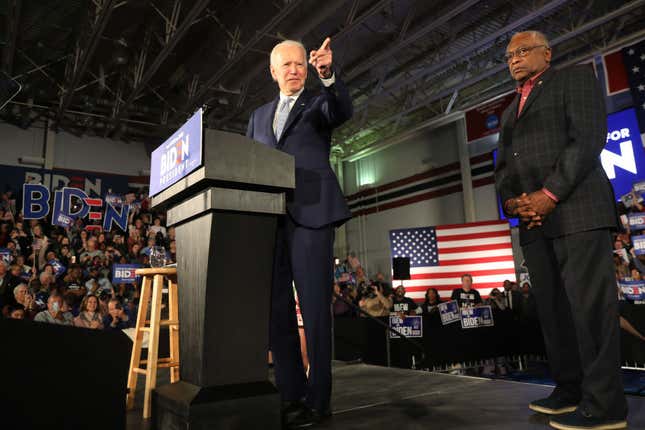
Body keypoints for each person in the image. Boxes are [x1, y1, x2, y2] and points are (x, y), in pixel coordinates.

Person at [494, 30, 626, 429]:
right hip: (534, 223)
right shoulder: (507, 111)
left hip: (577, 211)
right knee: (553, 312)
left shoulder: (574, 79)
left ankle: (605, 407)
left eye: (522, 51)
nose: (515, 59)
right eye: (508, 55)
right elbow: (504, 167)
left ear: (546, 53)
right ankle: (569, 389)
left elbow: (587, 140)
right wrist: (514, 202)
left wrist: (548, 194)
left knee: (590, 312)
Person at [246, 37, 352, 428]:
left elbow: (342, 109)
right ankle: (290, 396)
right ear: (272, 72)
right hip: (269, 222)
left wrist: (329, 77)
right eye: (286, 65)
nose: (295, 70)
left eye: (300, 64)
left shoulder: (318, 102)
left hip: (312, 215)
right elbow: (247, 163)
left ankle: (318, 400)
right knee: (277, 315)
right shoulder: (258, 116)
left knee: (314, 311)